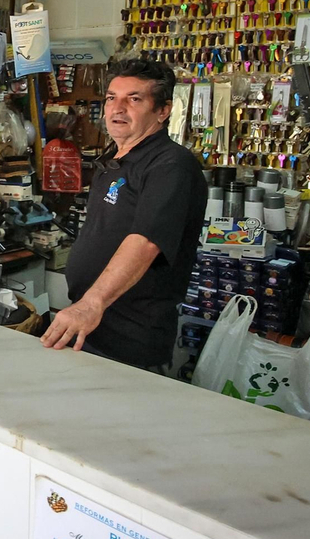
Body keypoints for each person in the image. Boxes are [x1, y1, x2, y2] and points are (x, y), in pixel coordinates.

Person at [41, 57, 206, 371]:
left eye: (134, 99)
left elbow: (145, 242)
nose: (117, 109)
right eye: (111, 98)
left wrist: (92, 302)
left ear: (163, 111)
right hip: (90, 326)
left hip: (129, 340)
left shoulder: (170, 166)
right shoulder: (116, 161)